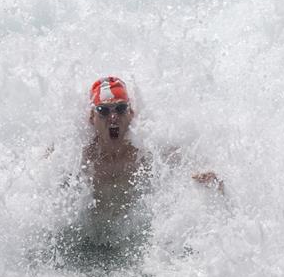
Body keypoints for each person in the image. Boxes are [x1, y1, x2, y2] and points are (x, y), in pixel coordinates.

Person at [80, 77, 223, 222]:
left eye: (121, 108)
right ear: (92, 117)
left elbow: (184, 159)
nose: (113, 117)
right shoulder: (81, 160)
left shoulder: (144, 152)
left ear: (131, 113)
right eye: (103, 110)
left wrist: (208, 175)